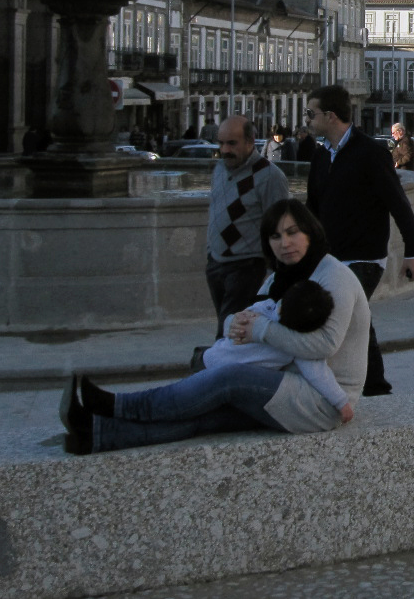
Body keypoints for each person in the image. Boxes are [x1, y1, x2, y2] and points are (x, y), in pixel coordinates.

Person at [61, 200, 367, 454]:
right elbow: (251, 313)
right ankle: (96, 434)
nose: (284, 243)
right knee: (204, 416)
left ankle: (118, 405)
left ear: (310, 232)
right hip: (283, 381)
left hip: (324, 399)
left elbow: (326, 345)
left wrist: (259, 330)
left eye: (292, 232)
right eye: (275, 236)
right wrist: (236, 323)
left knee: (227, 378)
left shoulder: (333, 276)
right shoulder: (279, 277)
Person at [305, 84, 414, 396]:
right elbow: (312, 209)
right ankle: (374, 385)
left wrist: (413, 252)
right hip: (331, 257)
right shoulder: (320, 156)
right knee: (357, 318)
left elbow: (399, 204)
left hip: (365, 257)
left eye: (311, 113)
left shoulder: (370, 153)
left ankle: (365, 384)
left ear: (330, 116)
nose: (306, 119)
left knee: (342, 312)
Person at [201, 279, 351, 414]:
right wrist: (341, 402)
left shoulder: (265, 307)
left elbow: (234, 324)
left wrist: (233, 322)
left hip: (210, 356)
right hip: (223, 377)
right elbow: (317, 373)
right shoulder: (292, 343)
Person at [205, 115, 292, 341]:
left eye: (232, 143)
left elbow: (280, 226)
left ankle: (218, 371)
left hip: (246, 267)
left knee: (228, 333)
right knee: (229, 327)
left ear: (250, 142)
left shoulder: (270, 176)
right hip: (217, 264)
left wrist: (274, 274)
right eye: (221, 143)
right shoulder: (220, 170)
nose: (225, 150)